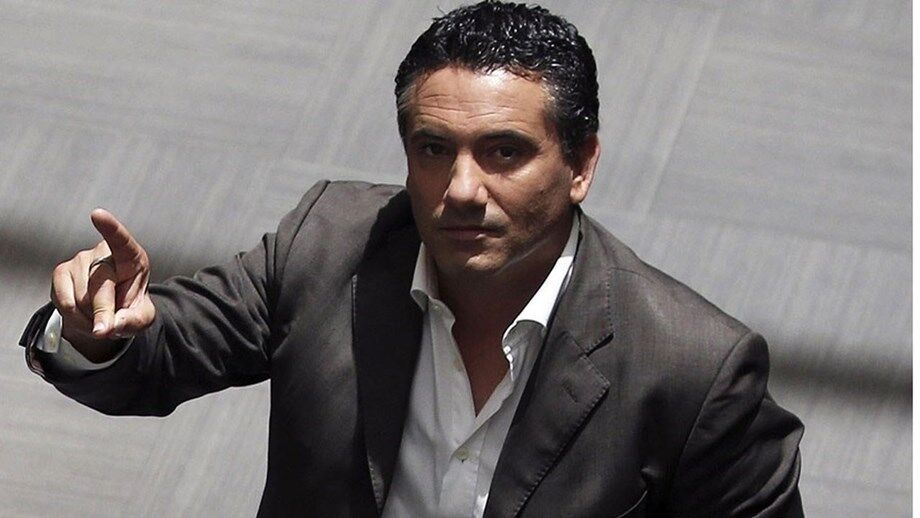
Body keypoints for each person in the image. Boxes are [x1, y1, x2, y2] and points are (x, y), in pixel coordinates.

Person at [19, 1, 804, 516]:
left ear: (581, 164)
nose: (461, 190)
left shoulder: (695, 370)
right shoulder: (330, 242)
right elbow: (160, 352)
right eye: (433, 149)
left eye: (504, 152)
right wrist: (93, 329)